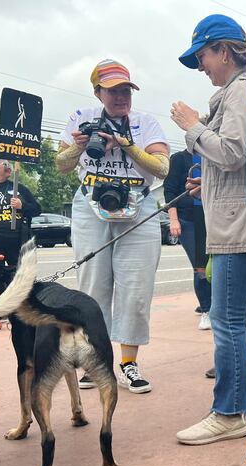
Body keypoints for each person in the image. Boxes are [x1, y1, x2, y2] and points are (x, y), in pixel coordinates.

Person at [172, 14, 246, 445]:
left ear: (224, 50)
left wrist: (192, 127)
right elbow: (245, 159)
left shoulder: (237, 91)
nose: (201, 65)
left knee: (226, 320)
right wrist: (211, 177)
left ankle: (228, 411)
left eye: (202, 54)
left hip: (239, 229)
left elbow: (234, 151)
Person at [56, 59, 170, 394]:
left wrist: (127, 143)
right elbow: (61, 165)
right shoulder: (81, 118)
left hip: (138, 202)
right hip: (91, 201)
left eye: (125, 90)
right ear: (97, 92)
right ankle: (97, 360)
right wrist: (79, 145)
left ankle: (129, 363)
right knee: (92, 285)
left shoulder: (145, 123)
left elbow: (161, 167)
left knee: (136, 286)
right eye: (113, 90)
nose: (121, 96)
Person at [163, 149, 211, 330]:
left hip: (214, 218)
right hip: (189, 219)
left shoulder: (214, 154)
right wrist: (174, 220)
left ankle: (212, 304)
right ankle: (207, 310)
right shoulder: (179, 159)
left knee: (217, 266)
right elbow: (170, 190)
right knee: (200, 266)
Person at [0, 157, 41, 266]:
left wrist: (22, 206)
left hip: (18, 242)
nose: (9, 167)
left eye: (10, 164)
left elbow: (37, 210)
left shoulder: (19, 189)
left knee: (21, 277)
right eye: (5, 164)